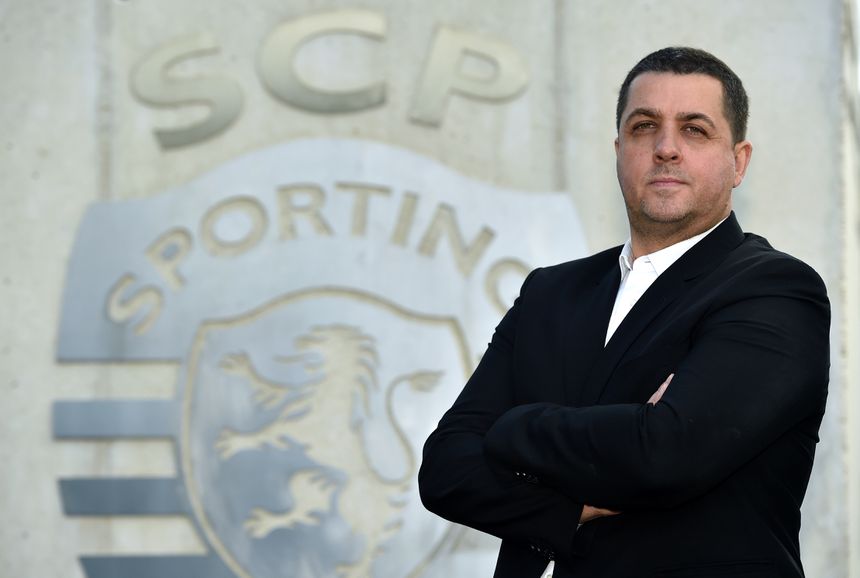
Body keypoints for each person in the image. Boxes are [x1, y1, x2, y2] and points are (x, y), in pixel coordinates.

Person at [418, 46, 830, 578]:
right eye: (644, 127)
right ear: (619, 149)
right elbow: (447, 468)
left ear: (739, 161)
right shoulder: (552, 292)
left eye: (695, 130)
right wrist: (568, 509)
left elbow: (663, 456)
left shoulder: (773, 289)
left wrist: (514, 426)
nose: (666, 149)